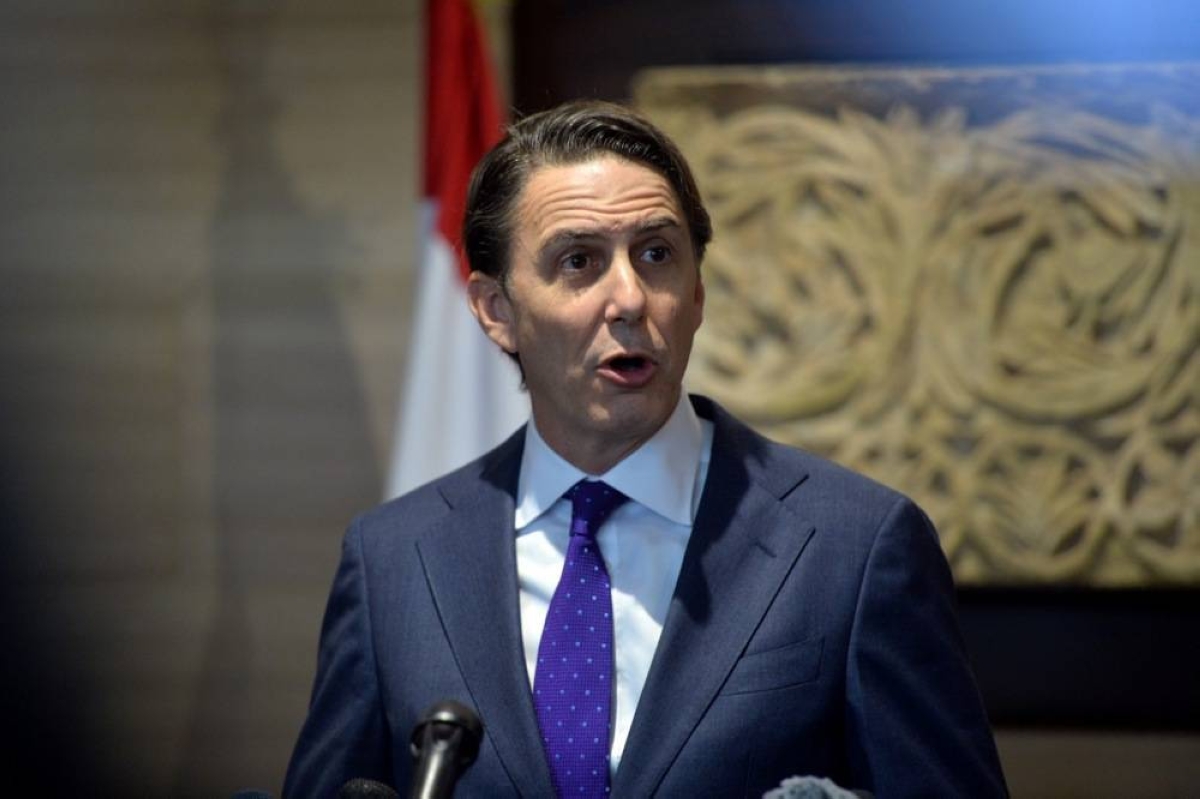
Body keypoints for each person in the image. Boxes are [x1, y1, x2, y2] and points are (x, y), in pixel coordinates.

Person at [284, 100, 1008, 798]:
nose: (629, 298)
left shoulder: (856, 546)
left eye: (656, 253)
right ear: (496, 311)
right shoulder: (393, 561)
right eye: (579, 261)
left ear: (695, 293)